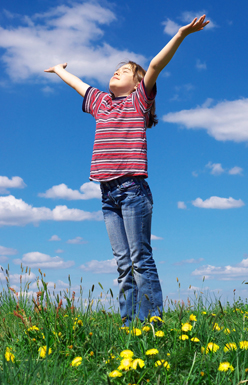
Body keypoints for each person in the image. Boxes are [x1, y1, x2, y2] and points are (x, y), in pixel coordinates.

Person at [44, 15, 209, 325]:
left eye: (126, 70)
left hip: (133, 191)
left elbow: (157, 65)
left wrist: (181, 34)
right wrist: (60, 72)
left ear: (137, 82)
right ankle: (127, 326)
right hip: (107, 194)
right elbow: (80, 86)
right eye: (115, 69)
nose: (117, 71)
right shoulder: (101, 103)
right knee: (122, 264)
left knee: (140, 260)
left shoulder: (137, 102)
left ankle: (152, 325)